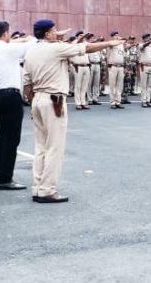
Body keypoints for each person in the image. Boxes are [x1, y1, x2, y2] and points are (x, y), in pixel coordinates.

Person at [21, 19, 122, 203]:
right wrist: (109, 43)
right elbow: (86, 48)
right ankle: (48, 189)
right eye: (54, 30)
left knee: (41, 147)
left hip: (38, 99)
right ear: (47, 34)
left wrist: (32, 101)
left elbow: (27, 83)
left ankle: (38, 187)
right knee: (55, 147)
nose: (57, 32)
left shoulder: (32, 50)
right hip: (54, 100)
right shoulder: (56, 48)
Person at [0, 20, 39, 191]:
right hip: (10, 96)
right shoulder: (8, 49)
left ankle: (0, 174)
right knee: (12, 139)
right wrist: (31, 37)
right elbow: (32, 44)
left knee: (3, 137)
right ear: (6, 33)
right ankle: (4, 178)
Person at [70, 32, 92, 109]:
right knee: (78, 86)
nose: (83, 37)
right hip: (78, 66)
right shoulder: (75, 43)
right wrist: (73, 63)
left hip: (86, 66)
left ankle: (83, 102)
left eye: (83, 35)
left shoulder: (86, 44)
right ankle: (78, 103)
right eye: (80, 35)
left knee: (84, 86)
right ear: (77, 36)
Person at [105, 31, 127, 109]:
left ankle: (118, 101)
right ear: (112, 37)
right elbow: (111, 44)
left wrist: (125, 67)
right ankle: (112, 102)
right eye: (115, 35)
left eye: (118, 35)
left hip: (120, 66)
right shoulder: (111, 43)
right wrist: (119, 41)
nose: (117, 36)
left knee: (119, 86)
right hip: (113, 66)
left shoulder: (121, 45)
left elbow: (123, 56)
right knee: (112, 86)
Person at [138, 33, 151, 108]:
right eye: (147, 37)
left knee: (149, 85)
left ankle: (148, 100)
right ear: (144, 38)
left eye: (149, 37)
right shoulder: (141, 45)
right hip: (144, 66)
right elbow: (142, 47)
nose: (148, 38)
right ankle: (143, 101)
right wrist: (149, 42)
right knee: (144, 85)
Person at [88, 36, 105, 105]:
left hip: (97, 64)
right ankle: (89, 99)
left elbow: (102, 57)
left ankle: (95, 98)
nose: (93, 39)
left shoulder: (98, 48)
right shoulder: (88, 46)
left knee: (96, 83)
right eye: (91, 38)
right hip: (91, 64)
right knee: (89, 83)